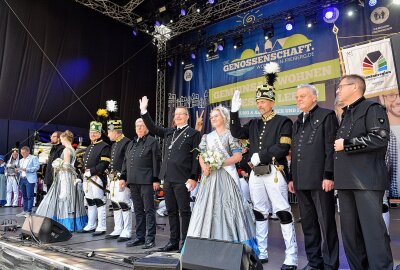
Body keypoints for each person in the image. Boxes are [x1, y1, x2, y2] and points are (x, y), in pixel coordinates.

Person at [230, 62, 297, 270]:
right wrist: (234, 113)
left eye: (264, 101)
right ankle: (262, 251)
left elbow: (282, 148)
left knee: (283, 212)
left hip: (274, 172)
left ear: (272, 102)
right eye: (258, 101)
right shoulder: (253, 123)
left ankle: (292, 256)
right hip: (255, 175)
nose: (260, 104)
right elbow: (236, 134)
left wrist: (261, 155)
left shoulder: (284, 121)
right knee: (259, 212)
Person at [334, 74, 393, 270]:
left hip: (366, 181)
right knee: (351, 236)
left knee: (373, 234)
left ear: (354, 88)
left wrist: (347, 144)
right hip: (346, 182)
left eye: (341, 86)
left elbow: (380, 138)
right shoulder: (346, 113)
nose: (337, 90)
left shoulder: (372, 108)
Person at [187, 106, 258, 254]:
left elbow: (238, 156)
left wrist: (221, 163)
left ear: (224, 118)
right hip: (210, 177)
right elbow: (200, 154)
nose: (213, 119)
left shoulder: (231, 135)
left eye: (216, 116)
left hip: (226, 177)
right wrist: (204, 167)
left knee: (228, 209)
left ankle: (231, 247)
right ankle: (205, 246)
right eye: (211, 117)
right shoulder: (207, 136)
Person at [139, 96, 201, 252]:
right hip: (167, 178)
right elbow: (152, 128)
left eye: (181, 113)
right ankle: (173, 241)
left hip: (183, 179)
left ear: (187, 117)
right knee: (171, 211)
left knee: (184, 211)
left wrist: (193, 177)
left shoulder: (194, 134)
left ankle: (185, 242)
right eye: (176, 114)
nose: (178, 116)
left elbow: (196, 158)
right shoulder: (169, 132)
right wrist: (144, 111)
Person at [288, 84, 339, 270]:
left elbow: (330, 148)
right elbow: (295, 153)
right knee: (308, 226)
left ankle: (330, 264)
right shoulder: (296, 122)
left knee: (327, 225)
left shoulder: (327, 116)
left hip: (320, 181)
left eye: (302, 96)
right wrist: (292, 178)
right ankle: (314, 262)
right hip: (301, 182)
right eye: (297, 97)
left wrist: (329, 175)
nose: (298, 99)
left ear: (314, 98)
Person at [36, 130, 88, 231]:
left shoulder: (66, 150)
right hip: (69, 177)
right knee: (69, 199)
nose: (61, 141)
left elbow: (66, 166)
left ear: (64, 138)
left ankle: (64, 223)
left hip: (65, 177)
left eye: (62, 139)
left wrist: (57, 165)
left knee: (64, 199)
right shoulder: (72, 149)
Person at [123, 118, 161, 249]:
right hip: (133, 181)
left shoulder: (152, 141)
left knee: (149, 210)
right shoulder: (131, 143)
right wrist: (123, 177)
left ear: (147, 128)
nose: (139, 128)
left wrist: (156, 179)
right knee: (138, 210)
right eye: (137, 125)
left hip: (147, 181)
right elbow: (125, 161)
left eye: (142, 125)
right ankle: (140, 237)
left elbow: (157, 161)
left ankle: (150, 238)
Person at [105, 118, 132, 242]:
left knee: (124, 203)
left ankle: (127, 230)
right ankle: (118, 228)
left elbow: (127, 162)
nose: (108, 134)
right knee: (115, 204)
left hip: (121, 178)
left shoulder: (126, 142)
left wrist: (124, 177)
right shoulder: (115, 144)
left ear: (115, 131)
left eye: (109, 132)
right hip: (113, 178)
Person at [82, 121, 111, 236]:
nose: (93, 134)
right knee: (90, 201)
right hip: (87, 178)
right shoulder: (89, 147)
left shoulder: (105, 146)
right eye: (91, 132)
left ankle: (102, 226)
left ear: (100, 134)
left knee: (99, 202)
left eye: (95, 132)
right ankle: (91, 224)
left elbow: (104, 164)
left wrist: (92, 172)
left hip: (97, 178)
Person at [16, 146, 40, 217]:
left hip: (29, 179)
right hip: (22, 179)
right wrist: (18, 171)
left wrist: (26, 169)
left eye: (23, 153)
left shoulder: (33, 158)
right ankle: (25, 210)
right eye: (21, 153)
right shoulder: (21, 160)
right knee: (24, 196)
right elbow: (21, 170)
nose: (22, 154)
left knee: (30, 196)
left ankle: (29, 211)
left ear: (28, 152)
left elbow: (37, 167)